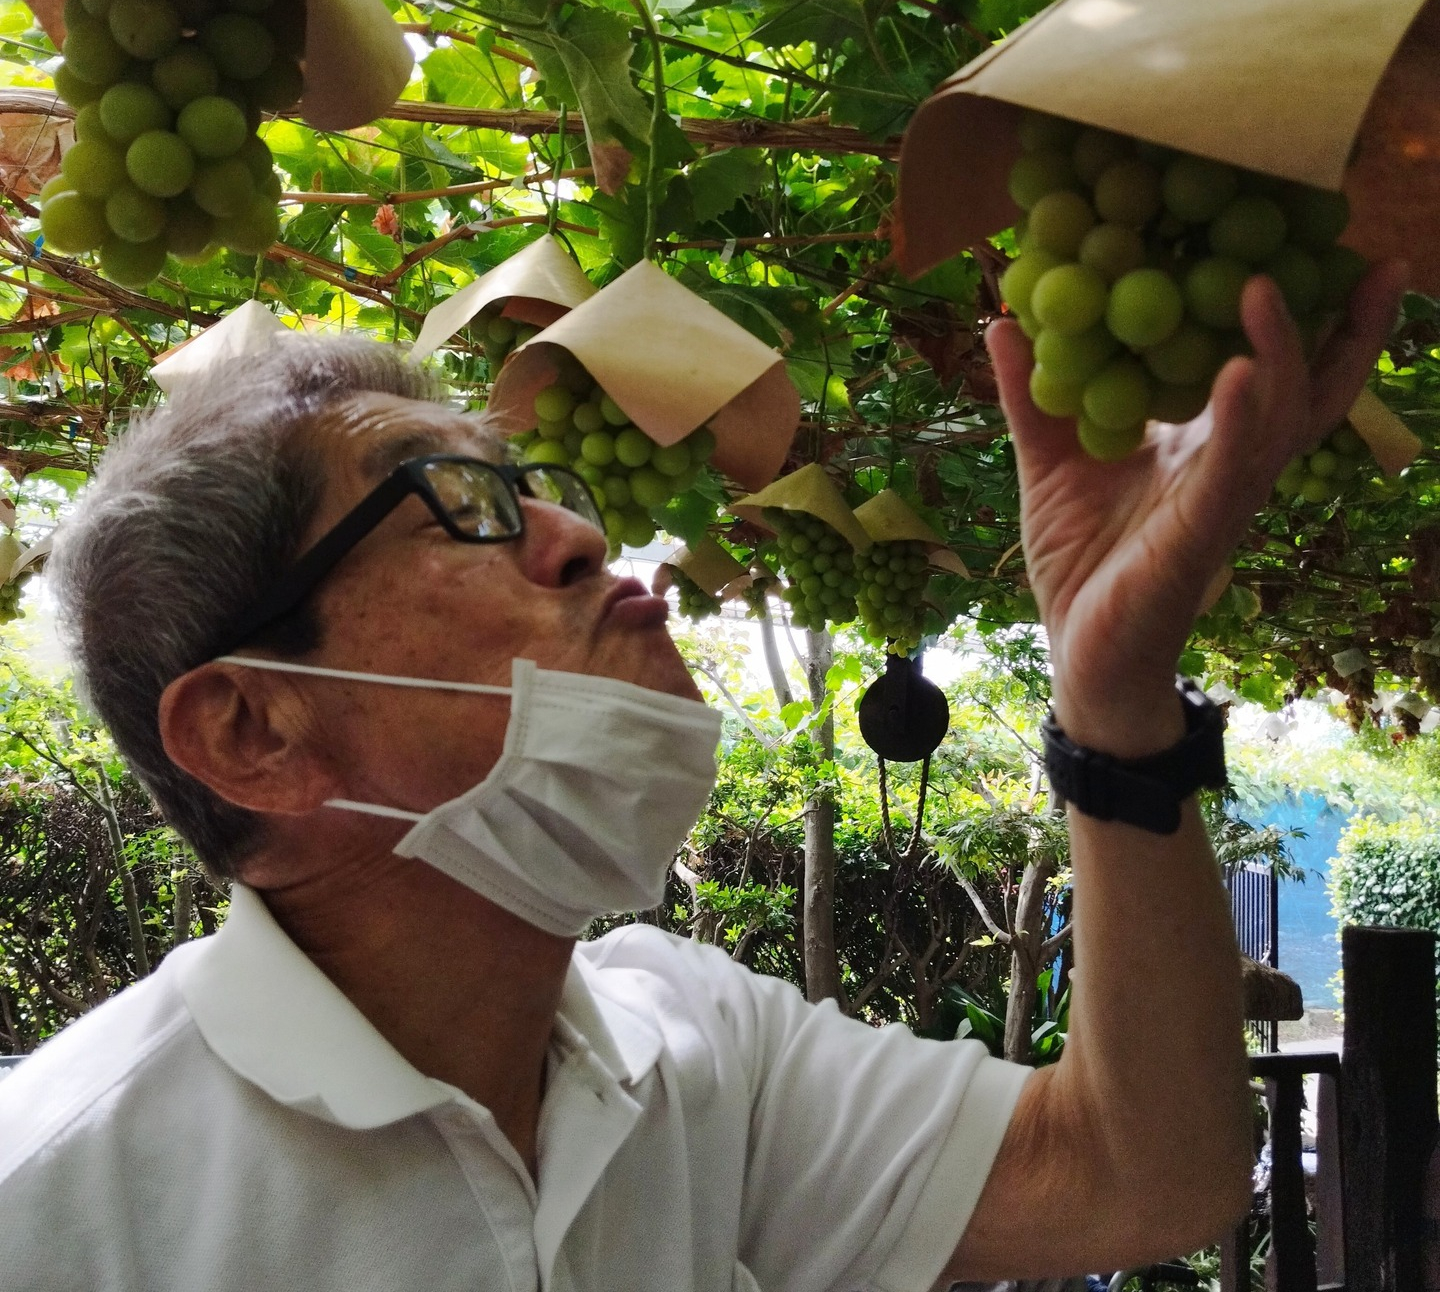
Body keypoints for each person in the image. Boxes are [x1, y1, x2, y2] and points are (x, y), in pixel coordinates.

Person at [0, 258, 1405, 1292]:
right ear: (251, 731)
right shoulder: (54, 1206)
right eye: (463, 504)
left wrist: (1115, 704)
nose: (575, 537)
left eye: (538, 486)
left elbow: (1138, 1173)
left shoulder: (688, 1047)